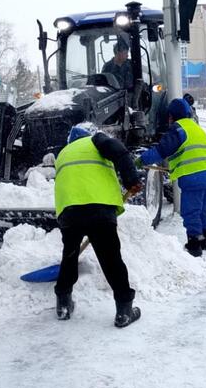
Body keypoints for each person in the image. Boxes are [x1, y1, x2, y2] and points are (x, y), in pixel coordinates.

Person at [53, 125, 143, 328]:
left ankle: (63, 305)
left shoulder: (63, 153)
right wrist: (131, 179)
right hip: (98, 209)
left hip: (69, 211)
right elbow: (119, 151)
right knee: (111, 260)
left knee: (69, 256)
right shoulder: (95, 141)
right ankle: (124, 311)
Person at [137, 99, 206, 257]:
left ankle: (194, 245)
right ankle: (204, 240)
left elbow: (161, 150)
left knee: (190, 211)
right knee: (201, 209)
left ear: (172, 116)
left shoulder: (178, 129)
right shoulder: (195, 127)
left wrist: (141, 160)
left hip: (192, 176)